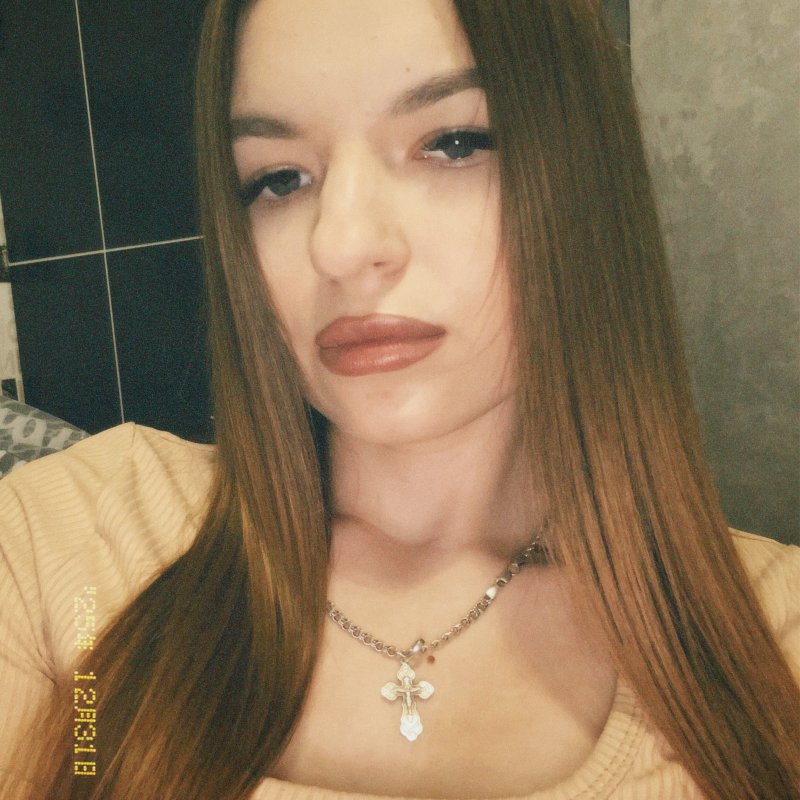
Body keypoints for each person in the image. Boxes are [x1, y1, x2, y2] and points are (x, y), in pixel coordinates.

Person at [0, 1, 798, 798]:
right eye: (279, 180)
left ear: (586, 181)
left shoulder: (774, 642)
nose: (341, 246)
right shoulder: (70, 547)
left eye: (452, 144)